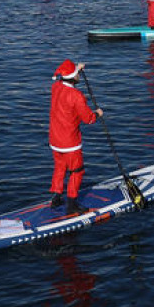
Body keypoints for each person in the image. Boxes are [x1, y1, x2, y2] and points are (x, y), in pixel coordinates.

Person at [47, 60, 101, 215]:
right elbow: (88, 118)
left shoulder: (55, 87)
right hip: (70, 142)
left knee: (60, 167)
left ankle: (56, 198)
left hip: (55, 140)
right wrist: (98, 113)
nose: (78, 75)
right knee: (77, 171)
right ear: (73, 77)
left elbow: (64, 76)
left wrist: (77, 67)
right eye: (77, 73)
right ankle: (72, 204)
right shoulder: (76, 95)